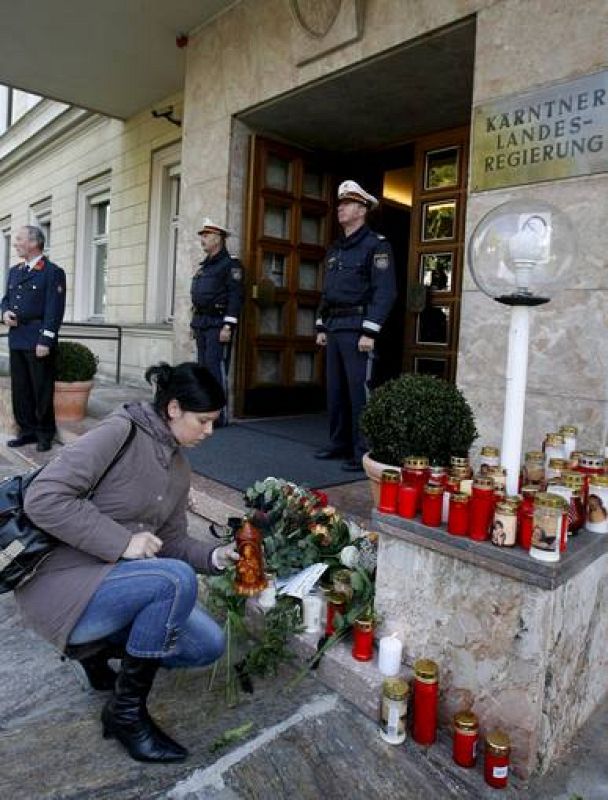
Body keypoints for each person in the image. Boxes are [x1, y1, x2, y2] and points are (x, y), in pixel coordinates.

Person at [18, 362, 237, 763]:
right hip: (63, 584)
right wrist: (123, 542)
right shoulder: (118, 432)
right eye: (203, 421)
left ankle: (96, 652)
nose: (209, 432)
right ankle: (125, 713)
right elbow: (43, 497)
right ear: (173, 409)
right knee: (173, 582)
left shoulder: (178, 466)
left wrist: (215, 555)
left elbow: (170, 543)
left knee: (208, 644)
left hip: (117, 584)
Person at [315, 180, 397, 471]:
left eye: (347, 203)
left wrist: (370, 330)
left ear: (362, 209)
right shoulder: (336, 249)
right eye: (340, 203)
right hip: (336, 325)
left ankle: (363, 451)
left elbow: (384, 291)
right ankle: (339, 443)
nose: (340, 208)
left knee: (358, 390)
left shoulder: (376, 245)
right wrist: (322, 325)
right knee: (335, 390)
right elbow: (328, 290)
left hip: (358, 328)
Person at [1, 225, 66, 451]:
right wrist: (4, 312)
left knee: (41, 389)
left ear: (33, 243)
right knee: (21, 389)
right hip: (17, 338)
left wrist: (46, 341)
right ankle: (27, 431)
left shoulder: (52, 272)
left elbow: (54, 310)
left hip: (38, 340)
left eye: (19, 239)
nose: (16, 242)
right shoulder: (15, 271)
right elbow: (6, 299)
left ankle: (45, 433)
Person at [190, 218, 244, 425]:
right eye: (202, 236)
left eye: (206, 235)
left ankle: (219, 415)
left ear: (218, 238)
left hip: (218, 323)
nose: (202, 239)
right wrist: (193, 323)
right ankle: (206, 410)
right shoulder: (204, 266)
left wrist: (228, 326)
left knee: (215, 368)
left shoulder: (231, 264)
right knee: (203, 368)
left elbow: (236, 296)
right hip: (202, 322)